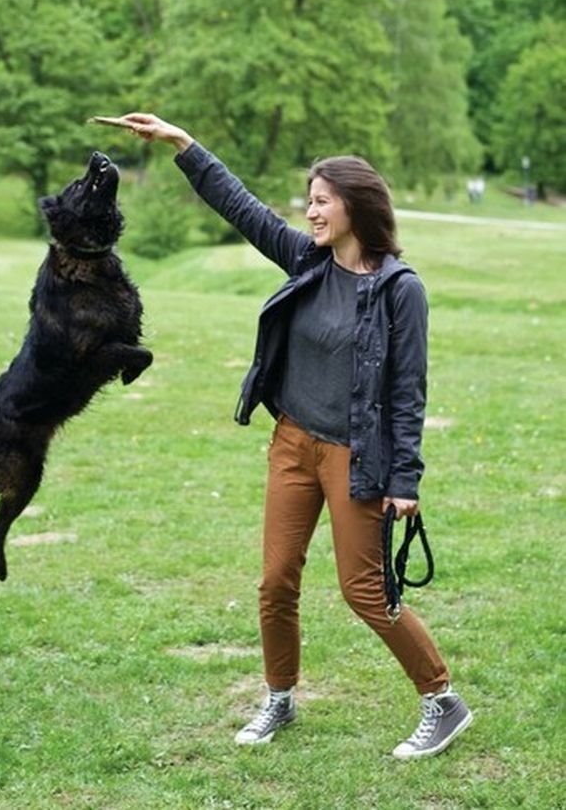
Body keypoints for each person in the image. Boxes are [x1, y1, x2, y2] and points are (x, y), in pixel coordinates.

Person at [118, 112, 473, 759]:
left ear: (355, 206)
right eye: (307, 201)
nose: (309, 212)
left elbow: (407, 392)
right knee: (276, 579)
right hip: (292, 441)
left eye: (321, 200)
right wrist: (183, 144)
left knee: (365, 589)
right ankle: (279, 697)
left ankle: (442, 699)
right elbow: (241, 207)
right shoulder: (306, 261)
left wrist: (405, 481)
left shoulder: (400, 290)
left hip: (354, 454)